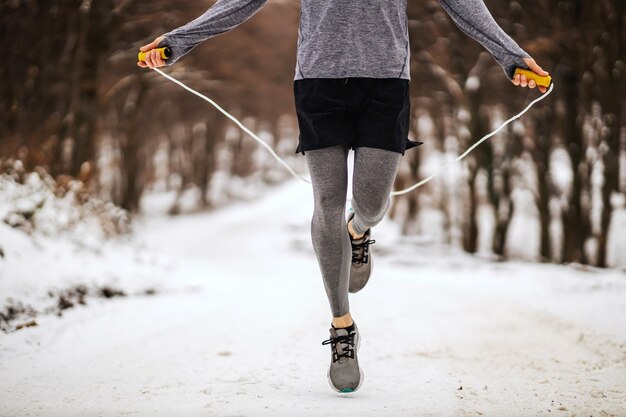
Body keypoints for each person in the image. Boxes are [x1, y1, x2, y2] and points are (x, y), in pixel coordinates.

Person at [138, 0, 549, 393]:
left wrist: (510, 56)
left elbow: (461, 3)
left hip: (387, 83)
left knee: (372, 204)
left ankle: (359, 230)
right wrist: (177, 42)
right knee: (327, 203)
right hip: (318, 82)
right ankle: (341, 326)